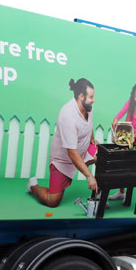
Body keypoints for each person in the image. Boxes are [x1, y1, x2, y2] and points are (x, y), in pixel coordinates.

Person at [28, 78, 97, 208]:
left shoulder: (88, 106)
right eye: (91, 97)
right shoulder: (67, 116)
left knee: (105, 156)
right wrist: (89, 176)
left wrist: (91, 139)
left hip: (83, 152)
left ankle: (98, 195)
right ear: (81, 96)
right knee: (52, 201)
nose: (93, 100)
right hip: (63, 161)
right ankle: (33, 186)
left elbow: (89, 124)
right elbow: (72, 152)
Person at [109, 83, 136, 201]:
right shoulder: (130, 103)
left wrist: (133, 137)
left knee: (131, 169)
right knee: (123, 166)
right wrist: (116, 119)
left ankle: (128, 193)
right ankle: (121, 192)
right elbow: (122, 111)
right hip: (126, 138)